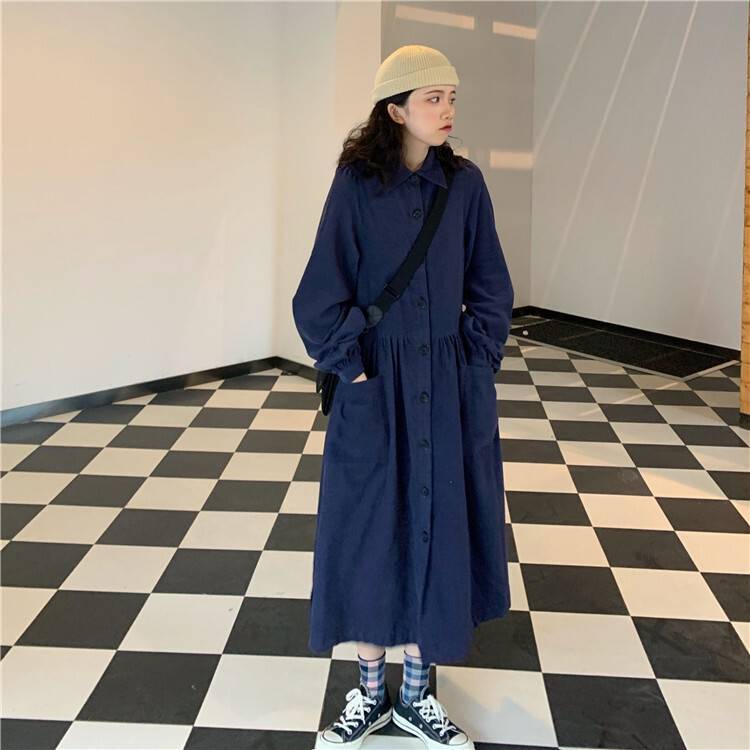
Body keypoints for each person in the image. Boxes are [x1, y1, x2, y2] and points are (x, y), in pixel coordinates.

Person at [292, 44, 514, 749]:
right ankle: (368, 693)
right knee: (369, 530)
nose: (447, 111)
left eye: (451, 97)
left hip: (445, 385)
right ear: (396, 111)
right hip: (376, 384)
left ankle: (417, 696)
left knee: (438, 526)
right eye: (432, 99)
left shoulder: (465, 185)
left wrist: (472, 362)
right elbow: (317, 293)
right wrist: (352, 367)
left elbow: (491, 285)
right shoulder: (357, 185)